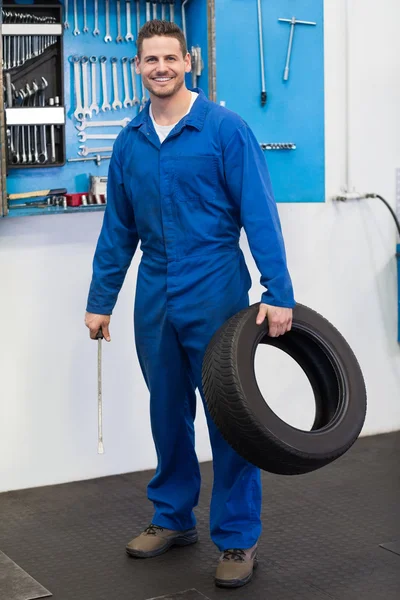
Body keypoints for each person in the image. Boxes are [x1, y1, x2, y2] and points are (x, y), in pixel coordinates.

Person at [85, 19, 295, 590]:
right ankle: (173, 518)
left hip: (216, 286)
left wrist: (279, 293)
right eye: (150, 59)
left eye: (170, 59)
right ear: (137, 66)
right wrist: (101, 300)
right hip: (155, 291)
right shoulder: (129, 140)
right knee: (167, 411)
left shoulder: (224, 129)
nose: (160, 68)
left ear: (188, 62)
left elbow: (260, 213)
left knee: (230, 416)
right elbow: (117, 230)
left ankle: (236, 537)